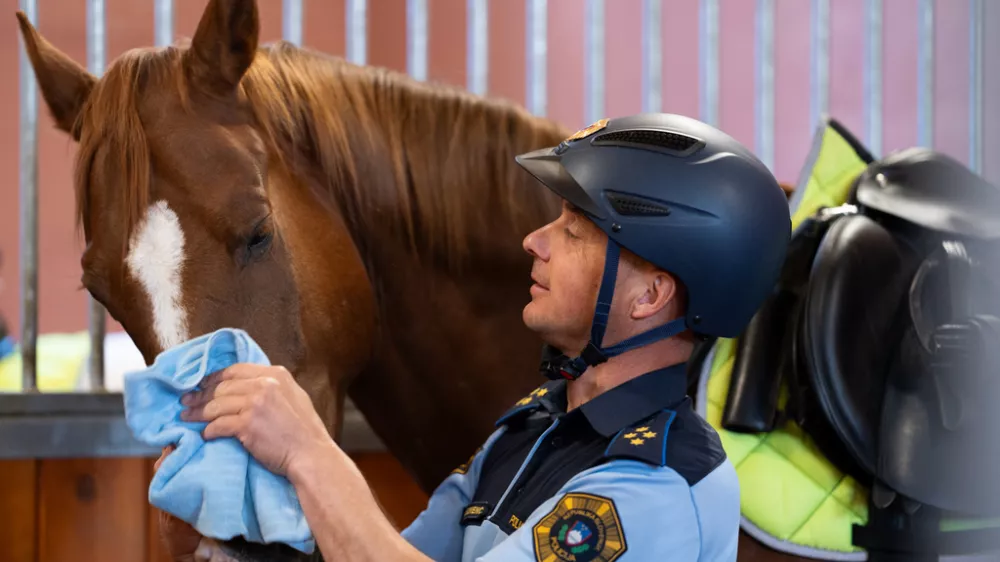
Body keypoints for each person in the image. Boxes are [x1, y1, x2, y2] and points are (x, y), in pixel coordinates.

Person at [160, 113, 791, 561]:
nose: (535, 241)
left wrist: (308, 453)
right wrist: (224, 540)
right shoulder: (530, 432)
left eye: (573, 232)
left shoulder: (654, 488)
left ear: (650, 295)